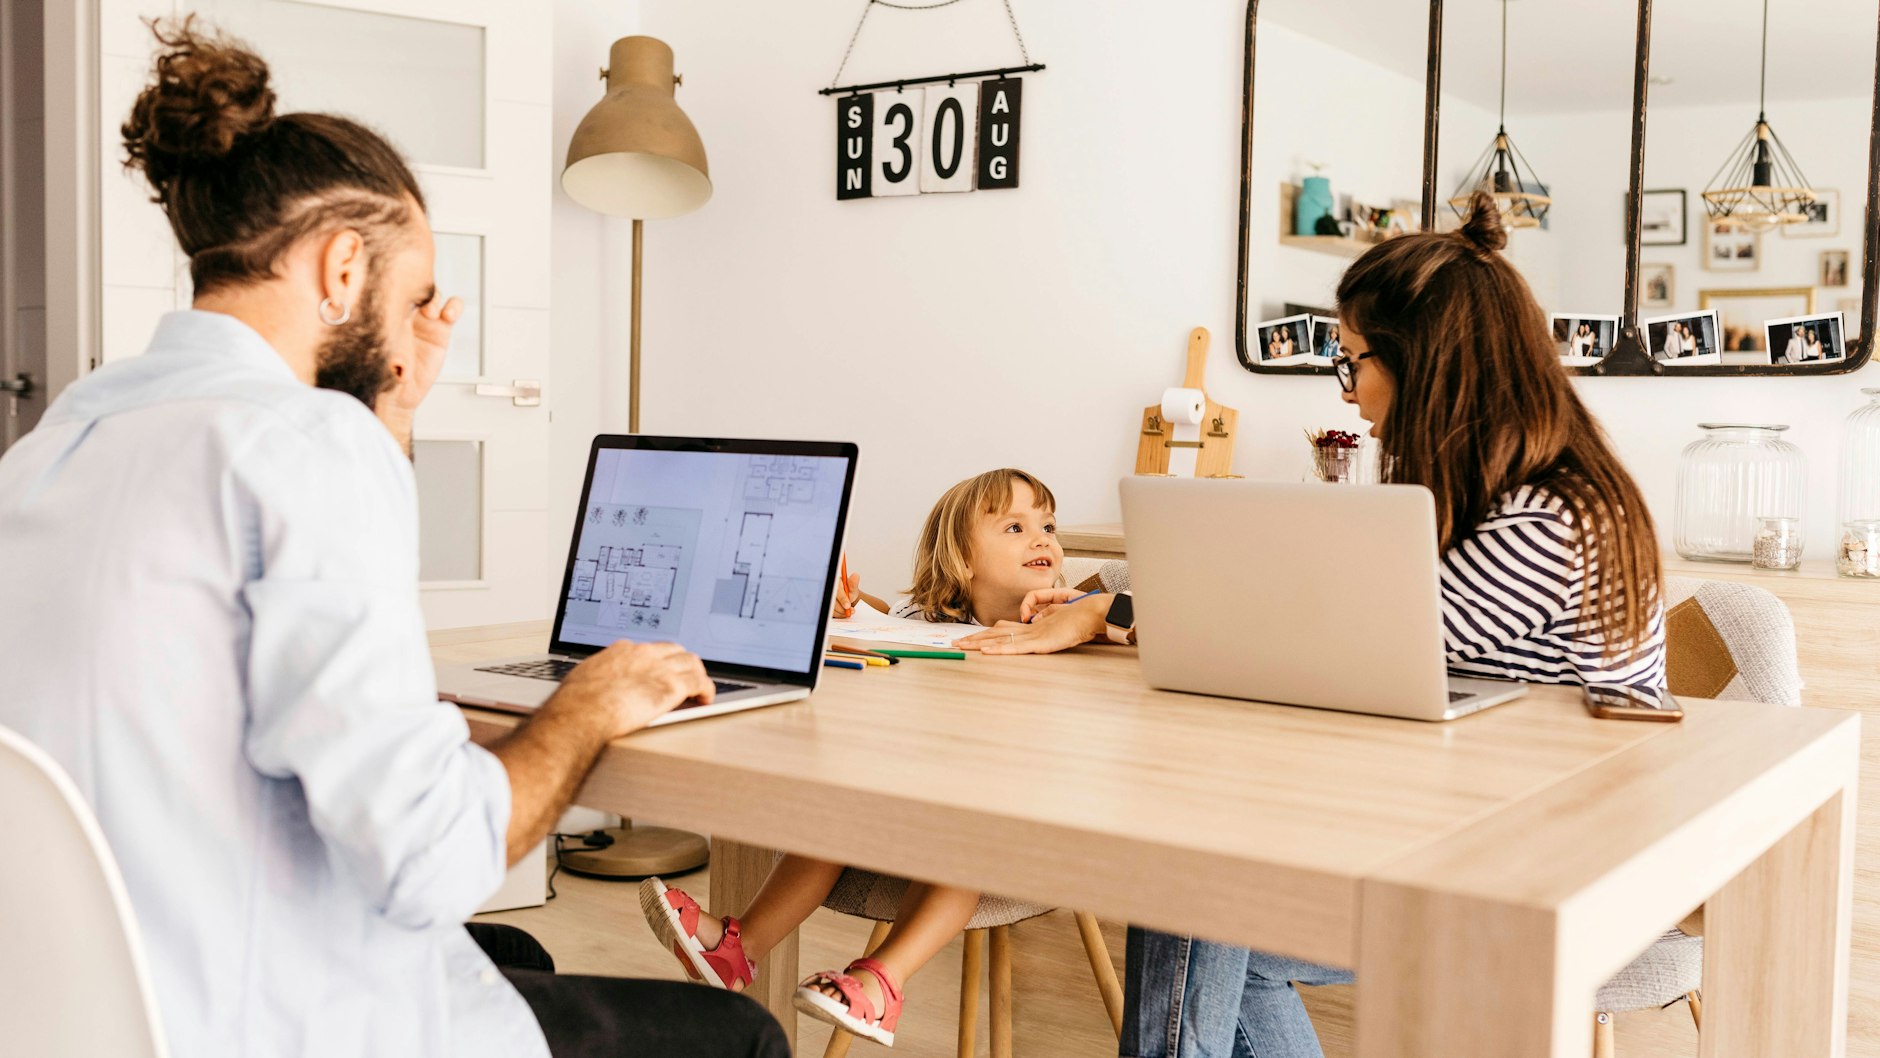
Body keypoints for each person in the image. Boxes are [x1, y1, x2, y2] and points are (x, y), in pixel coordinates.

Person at [0, 21, 785, 1058]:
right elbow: (432, 856)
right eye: (412, 294)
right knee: (738, 1032)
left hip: (100, 1009)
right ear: (339, 268)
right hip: (266, 1017)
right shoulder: (302, 443)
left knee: (520, 961)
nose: (420, 322)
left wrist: (392, 409)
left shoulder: (55, 446)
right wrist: (584, 705)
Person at [1114, 190, 1667, 1058]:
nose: (1348, 390)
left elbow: (1343, 634)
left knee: (1198, 891)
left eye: (1353, 361)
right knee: (1215, 907)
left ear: (1426, 361)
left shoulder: (1554, 516)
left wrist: (1117, 612)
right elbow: (1331, 614)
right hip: (1471, 816)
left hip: (1557, 860)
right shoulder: (1496, 488)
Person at [640, 469, 1072, 1048]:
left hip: (1007, 819)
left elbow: (1114, 629)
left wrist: (1088, 617)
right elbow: (886, 621)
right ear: (962, 561)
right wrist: (845, 606)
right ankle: (736, 951)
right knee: (835, 815)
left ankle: (881, 984)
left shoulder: (1065, 619)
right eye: (1015, 527)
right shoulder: (928, 623)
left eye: (1047, 525)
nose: (1042, 538)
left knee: (965, 838)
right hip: (915, 796)